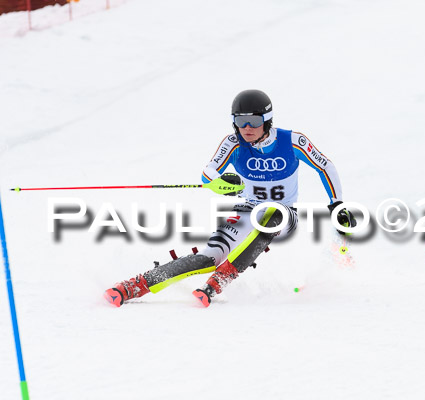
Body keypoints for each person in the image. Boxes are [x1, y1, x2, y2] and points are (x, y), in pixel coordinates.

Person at [104, 89, 356, 307]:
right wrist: (221, 184)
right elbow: (208, 173)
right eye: (240, 121)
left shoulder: (292, 141)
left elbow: (325, 166)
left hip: (283, 214)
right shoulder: (234, 143)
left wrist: (337, 203)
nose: (246, 128)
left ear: (267, 120)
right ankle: (135, 285)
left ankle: (221, 279)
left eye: (253, 121)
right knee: (208, 256)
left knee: (272, 216)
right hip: (247, 210)